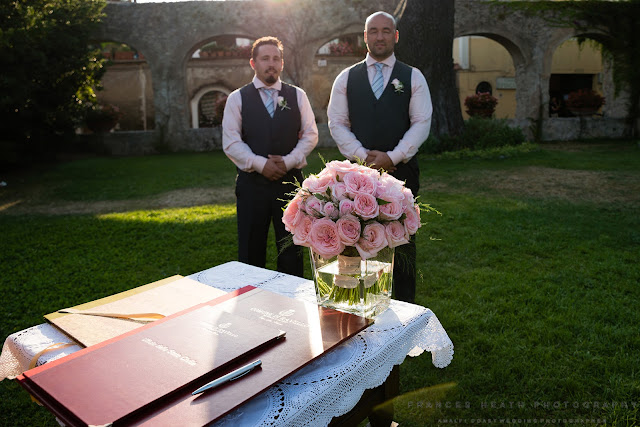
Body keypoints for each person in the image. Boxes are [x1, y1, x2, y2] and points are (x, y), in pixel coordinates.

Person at [327, 11, 433, 303]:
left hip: (403, 174)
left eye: (386, 31)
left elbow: (421, 122)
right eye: (373, 31)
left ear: (395, 36)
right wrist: (362, 157)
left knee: (403, 243)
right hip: (356, 178)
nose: (380, 36)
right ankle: (358, 306)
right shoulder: (346, 77)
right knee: (355, 242)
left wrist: (394, 156)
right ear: (365, 36)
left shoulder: (413, 77)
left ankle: (405, 310)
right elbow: (337, 122)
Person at [222, 36, 318, 277]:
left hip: (290, 183)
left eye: (276, 59)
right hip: (252, 185)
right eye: (265, 58)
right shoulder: (237, 98)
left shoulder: (297, 96)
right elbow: (231, 142)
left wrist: (288, 161)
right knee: (251, 250)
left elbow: (311, 135)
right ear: (253, 63)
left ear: (282, 64)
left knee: (291, 250)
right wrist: (261, 164)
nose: (271, 64)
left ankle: (291, 304)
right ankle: (250, 302)